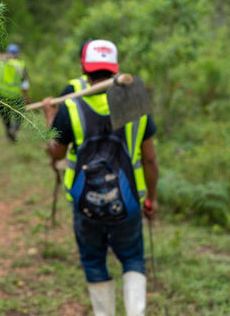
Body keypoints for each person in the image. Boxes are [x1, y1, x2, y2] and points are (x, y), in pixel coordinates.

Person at [41, 39, 159, 316]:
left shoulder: (70, 102)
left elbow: (55, 154)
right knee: (132, 258)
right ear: (115, 68)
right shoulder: (132, 98)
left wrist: (50, 117)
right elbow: (151, 159)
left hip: (85, 202)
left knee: (94, 262)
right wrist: (151, 199)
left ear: (84, 67)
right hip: (128, 201)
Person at [0, 43, 30, 141]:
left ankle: (9, 132)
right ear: (17, 54)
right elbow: (25, 84)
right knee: (19, 114)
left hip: (2, 95)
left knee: (5, 116)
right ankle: (14, 130)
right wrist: (27, 97)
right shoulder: (20, 64)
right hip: (16, 95)